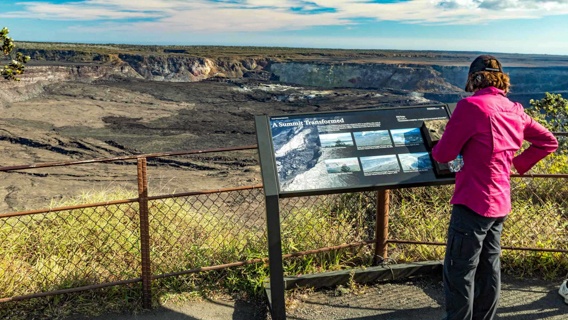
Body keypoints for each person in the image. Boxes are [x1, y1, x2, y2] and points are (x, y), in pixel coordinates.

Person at [431, 55, 558, 320]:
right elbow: (548, 142)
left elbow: (443, 154)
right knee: (489, 269)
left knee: (459, 270)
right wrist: (515, 163)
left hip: (472, 202)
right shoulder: (515, 110)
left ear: (475, 79)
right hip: (499, 203)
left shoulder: (471, 107)